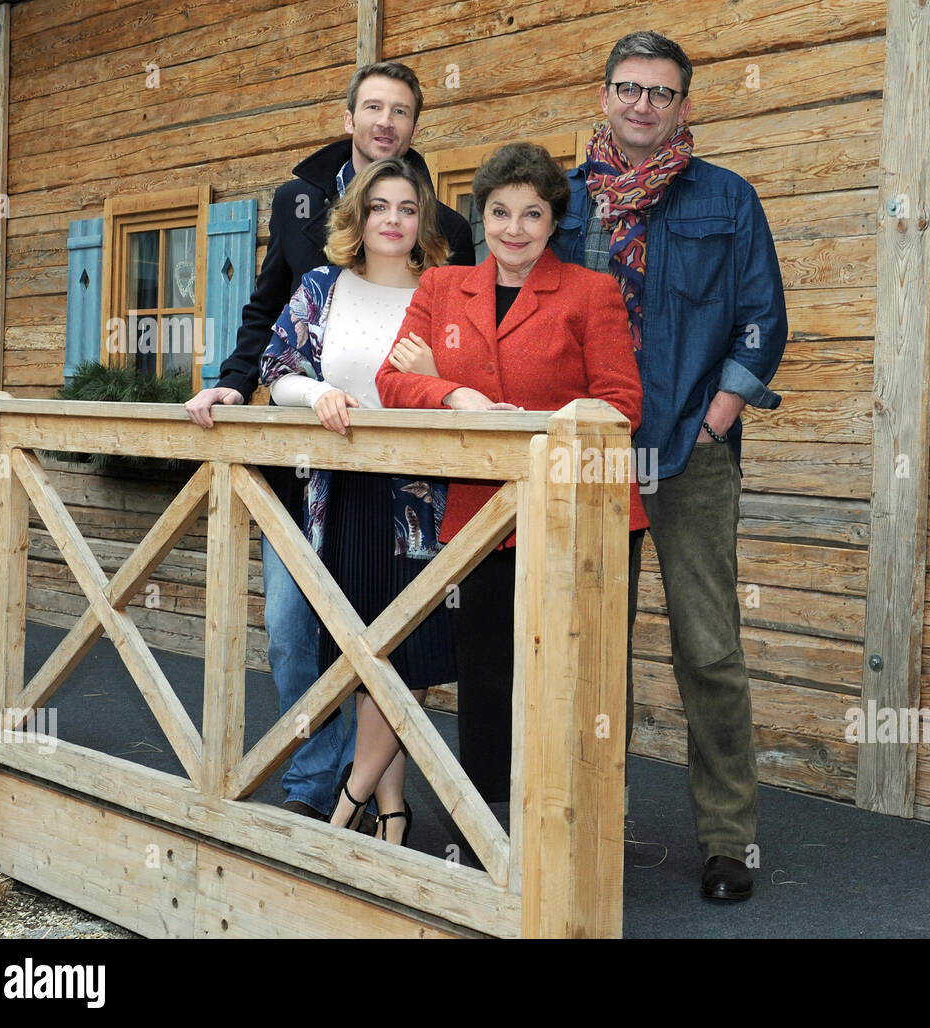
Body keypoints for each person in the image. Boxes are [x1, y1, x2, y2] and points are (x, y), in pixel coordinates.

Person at [183, 62, 474, 824]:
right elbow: (267, 318)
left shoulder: (449, 253)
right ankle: (319, 780)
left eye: (401, 110)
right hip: (310, 481)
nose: (385, 120)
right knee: (293, 630)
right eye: (372, 106)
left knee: (395, 646)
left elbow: (475, 357)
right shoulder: (300, 211)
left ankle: (377, 797)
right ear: (349, 116)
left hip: (412, 492)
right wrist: (232, 382)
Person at [551, 31, 788, 902]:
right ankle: (589, 824)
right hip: (590, 463)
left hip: (691, 456)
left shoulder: (728, 199)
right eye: (628, 88)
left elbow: (762, 320)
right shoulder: (561, 202)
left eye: (661, 92)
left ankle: (729, 842)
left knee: (709, 651)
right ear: (603, 96)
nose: (643, 104)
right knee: (590, 649)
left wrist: (716, 420)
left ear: (684, 105)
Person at [375, 142, 647, 808]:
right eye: (499, 212)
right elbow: (389, 381)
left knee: (571, 674)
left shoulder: (594, 292)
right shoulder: (442, 288)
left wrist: (482, 396)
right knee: (487, 675)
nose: (514, 229)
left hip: (575, 513)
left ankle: (574, 832)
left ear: (554, 221)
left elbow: (622, 403)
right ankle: (490, 836)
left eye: (532, 213)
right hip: (478, 514)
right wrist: (453, 394)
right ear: (482, 215)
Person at [258, 157, 454, 844]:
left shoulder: (445, 292)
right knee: (361, 651)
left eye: (406, 208)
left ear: (422, 219)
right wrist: (318, 394)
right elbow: (277, 366)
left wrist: (436, 376)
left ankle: (352, 796)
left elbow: (474, 387)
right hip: (336, 495)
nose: (393, 220)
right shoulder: (322, 286)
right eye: (379, 207)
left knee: (407, 653)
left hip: (420, 501)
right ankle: (392, 809)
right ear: (358, 218)